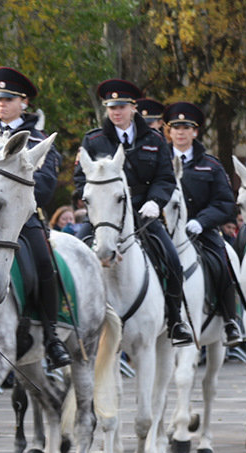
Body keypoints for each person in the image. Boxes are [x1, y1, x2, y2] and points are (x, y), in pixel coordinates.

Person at [74, 79, 193, 346]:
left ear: (133, 108)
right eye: (111, 107)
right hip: (103, 213)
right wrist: (91, 202)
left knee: (171, 259)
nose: (116, 112)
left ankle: (175, 320)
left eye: (122, 107)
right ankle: (71, 321)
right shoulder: (93, 140)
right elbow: (81, 178)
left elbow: (165, 177)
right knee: (75, 253)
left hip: (142, 210)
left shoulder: (153, 139)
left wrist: (156, 202)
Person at [0, 66, 71, 368]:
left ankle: (50, 336)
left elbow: (45, 185)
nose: (1, 104)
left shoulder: (38, 139)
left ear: (24, 103)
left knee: (45, 264)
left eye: (8, 99)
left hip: (23, 217)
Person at [163, 101, 243, 346]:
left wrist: (201, 221)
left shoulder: (211, 164)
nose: (180, 132)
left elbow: (225, 202)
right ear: (169, 131)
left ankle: (230, 321)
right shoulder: (159, 162)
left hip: (201, 231)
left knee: (221, 261)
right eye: (175, 127)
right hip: (164, 229)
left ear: (195, 132)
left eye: (186, 127)